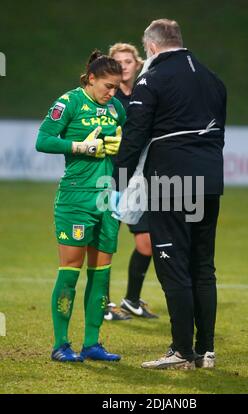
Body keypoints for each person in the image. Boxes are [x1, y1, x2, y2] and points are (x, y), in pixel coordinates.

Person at [112, 19, 227, 370]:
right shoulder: (212, 78)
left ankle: (181, 351)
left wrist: (116, 181)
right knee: (203, 266)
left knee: (172, 264)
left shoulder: (151, 78)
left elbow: (135, 134)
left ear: (150, 47)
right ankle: (205, 351)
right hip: (209, 180)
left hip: (171, 182)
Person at [36, 49, 126, 362]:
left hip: (106, 199)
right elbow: (43, 140)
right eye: (108, 86)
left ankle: (92, 344)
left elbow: (122, 141)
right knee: (70, 273)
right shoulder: (69, 102)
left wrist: (119, 145)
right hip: (75, 198)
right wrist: (78, 146)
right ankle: (61, 345)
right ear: (91, 79)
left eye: (117, 87)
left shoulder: (115, 108)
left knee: (101, 275)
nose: (113, 93)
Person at [104, 43, 158, 321]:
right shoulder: (106, 100)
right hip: (111, 178)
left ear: (138, 65)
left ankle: (132, 300)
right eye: (118, 62)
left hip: (137, 180)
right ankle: (103, 304)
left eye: (128, 61)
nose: (124, 66)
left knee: (146, 242)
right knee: (105, 243)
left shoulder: (145, 95)